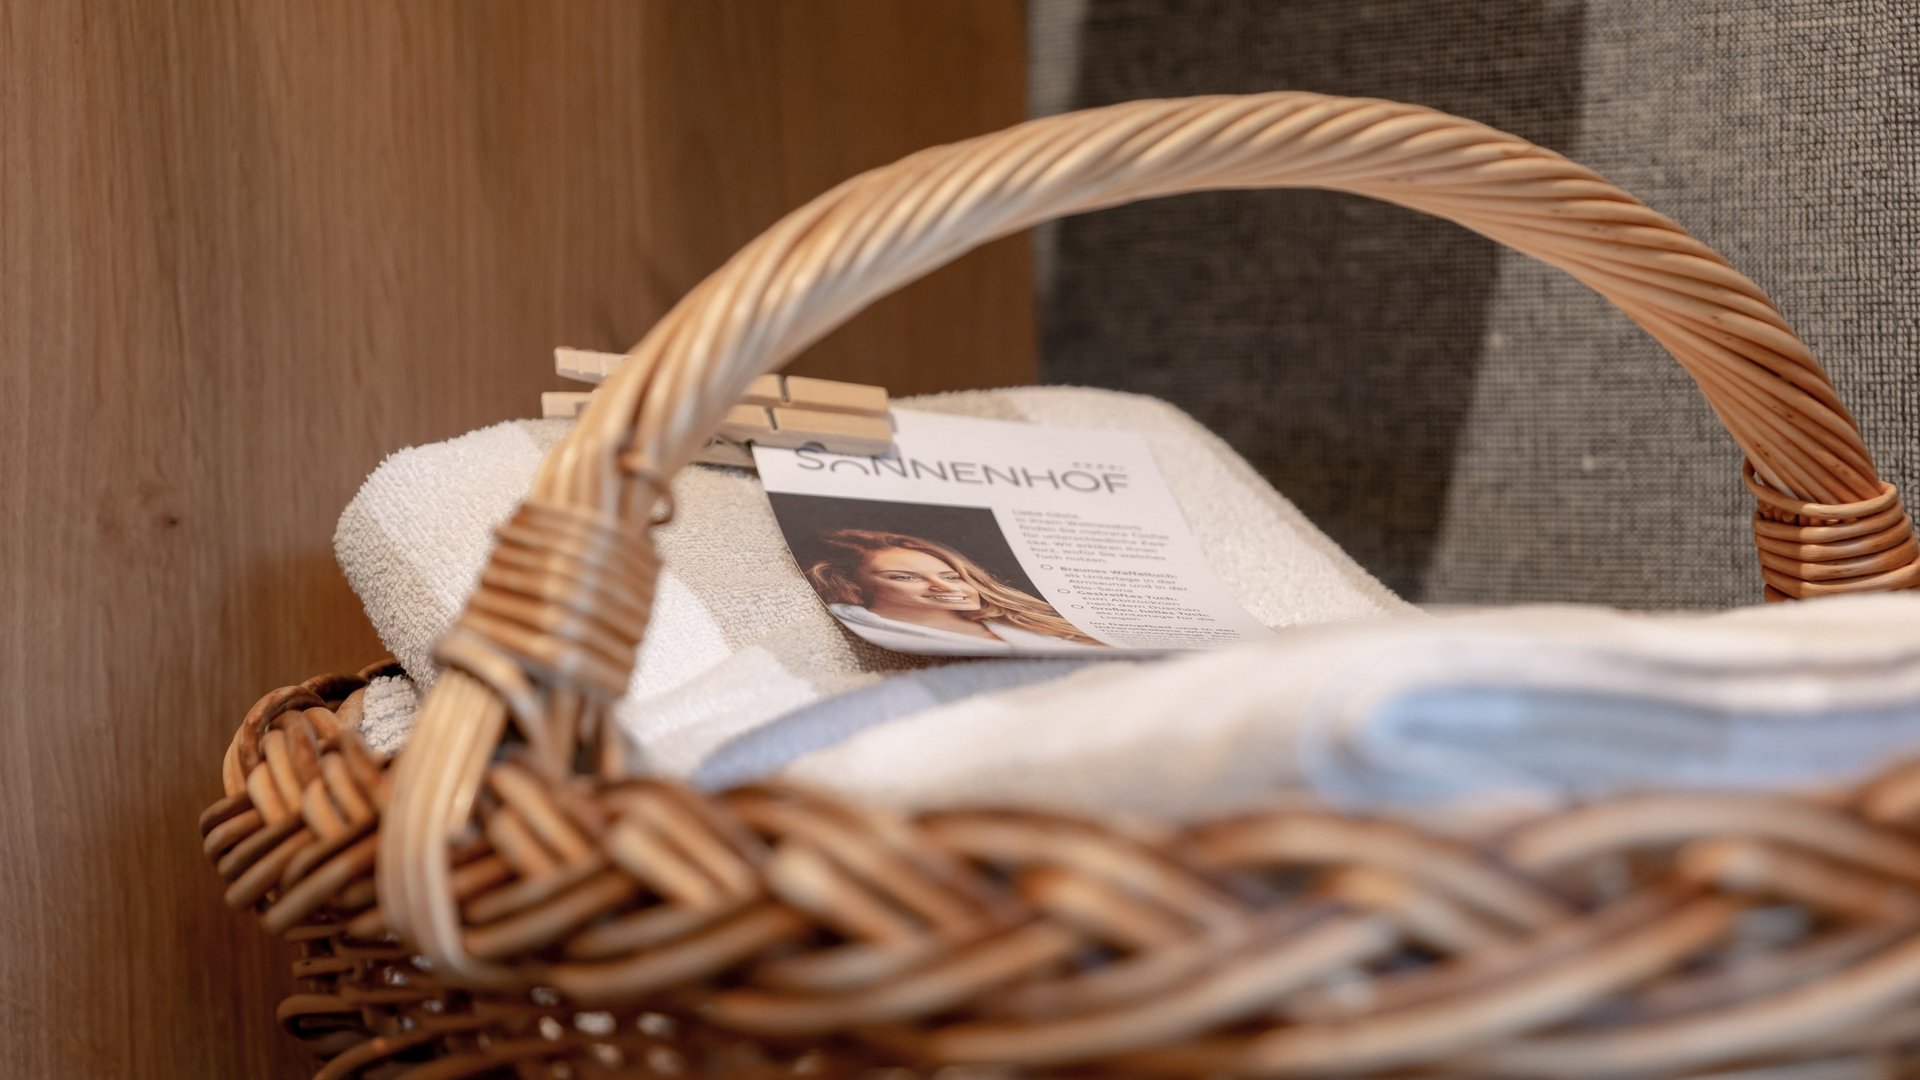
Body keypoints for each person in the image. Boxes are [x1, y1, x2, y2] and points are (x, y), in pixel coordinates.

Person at [805, 529, 1105, 653]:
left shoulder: (1033, 623)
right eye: (906, 577)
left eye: (952, 576)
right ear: (851, 583)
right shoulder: (867, 638)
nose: (946, 587)